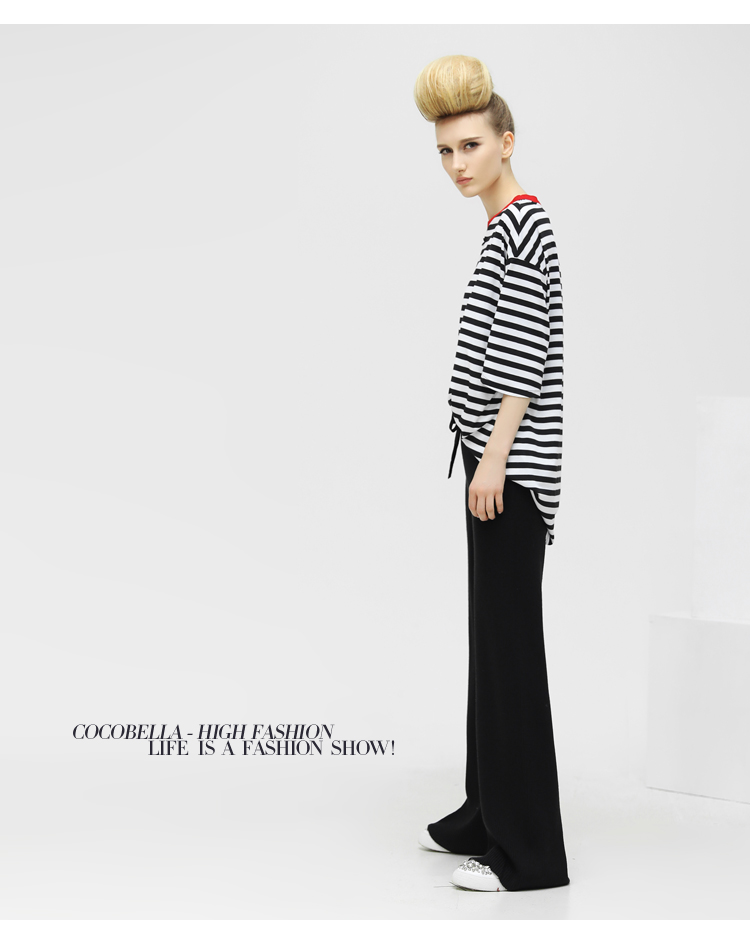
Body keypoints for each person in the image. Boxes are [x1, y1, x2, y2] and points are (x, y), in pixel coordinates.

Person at [412, 54, 570, 893]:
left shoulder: (525, 225)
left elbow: (521, 355)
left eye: (470, 145)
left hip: (508, 468)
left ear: (507, 141)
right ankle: (486, 810)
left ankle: (529, 855)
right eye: (445, 150)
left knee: (511, 653)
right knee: (490, 644)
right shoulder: (501, 225)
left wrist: (496, 462)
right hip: (490, 460)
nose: (457, 163)